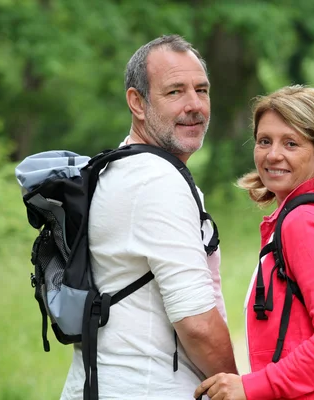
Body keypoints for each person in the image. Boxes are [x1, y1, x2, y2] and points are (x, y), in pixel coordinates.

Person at [61, 35, 237, 399]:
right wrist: (238, 387)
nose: (195, 105)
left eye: (201, 90)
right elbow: (198, 323)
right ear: (137, 102)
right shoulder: (158, 182)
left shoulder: (118, 167)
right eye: (175, 92)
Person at [195, 85, 314, 399]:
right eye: (264, 141)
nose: (273, 154)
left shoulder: (305, 222)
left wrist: (252, 387)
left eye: (291, 143)